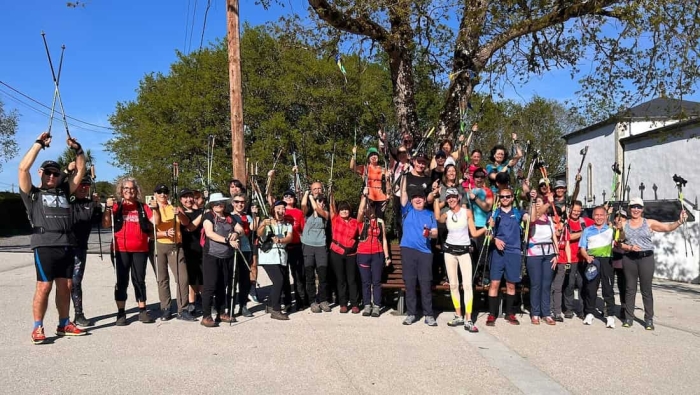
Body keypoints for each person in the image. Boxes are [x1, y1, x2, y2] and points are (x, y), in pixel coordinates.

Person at [19, 132, 88, 343]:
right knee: (44, 286)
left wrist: (77, 148)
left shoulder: (65, 191)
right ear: (42, 173)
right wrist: (39, 143)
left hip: (67, 243)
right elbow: (23, 168)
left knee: (65, 286)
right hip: (44, 244)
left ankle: (64, 323)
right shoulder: (33, 193)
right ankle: (38, 327)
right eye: (48, 173)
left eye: (55, 173)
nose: (51, 176)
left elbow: (81, 168)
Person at [619, 197, 688, 330]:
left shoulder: (648, 223)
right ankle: (628, 318)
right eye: (633, 207)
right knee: (630, 289)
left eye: (639, 207)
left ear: (642, 209)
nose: (636, 209)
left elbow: (667, 227)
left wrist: (679, 221)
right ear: (629, 209)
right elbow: (618, 243)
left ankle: (649, 319)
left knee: (646, 289)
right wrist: (629, 247)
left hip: (646, 258)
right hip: (629, 258)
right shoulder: (623, 224)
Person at [103, 177, 156, 326]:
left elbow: (155, 222)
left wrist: (155, 208)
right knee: (121, 281)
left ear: (136, 190)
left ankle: (142, 310)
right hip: (120, 249)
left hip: (140, 249)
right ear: (121, 191)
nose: (129, 191)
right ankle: (121, 312)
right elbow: (106, 224)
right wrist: (107, 208)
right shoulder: (117, 206)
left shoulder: (142, 207)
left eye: (132, 189)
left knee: (139, 280)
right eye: (126, 189)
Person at [433, 187, 485, 332]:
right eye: (448, 197)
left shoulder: (466, 212)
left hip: (464, 252)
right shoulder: (447, 214)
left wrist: (487, 227)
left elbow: (474, 233)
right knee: (453, 285)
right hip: (449, 252)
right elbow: (438, 217)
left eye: (453, 197)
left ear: (458, 197)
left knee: (467, 285)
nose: (451, 199)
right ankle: (458, 315)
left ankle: (468, 319)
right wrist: (437, 197)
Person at [151, 183, 196, 322]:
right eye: (159, 192)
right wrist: (164, 233)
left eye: (165, 192)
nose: (163, 195)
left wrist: (180, 214)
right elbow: (150, 231)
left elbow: (186, 222)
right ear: (155, 194)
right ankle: (166, 308)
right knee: (162, 279)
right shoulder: (151, 208)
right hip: (159, 245)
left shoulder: (174, 208)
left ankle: (183, 309)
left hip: (175, 246)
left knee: (182, 278)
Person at [200, 193, 244, 327]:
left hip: (227, 256)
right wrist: (227, 240)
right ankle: (206, 315)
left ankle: (221, 312)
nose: (219, 205)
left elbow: (241, 230)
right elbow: (209, 233)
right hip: (211, 255)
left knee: (222, 285)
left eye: (222, 202)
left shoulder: (230, 217)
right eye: (217, 203)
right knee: (210, 286)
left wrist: (236, 233)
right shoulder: (208, 216)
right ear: (212, 205)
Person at [399, 172, 438, 326]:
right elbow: (403, 193)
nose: (417, 199)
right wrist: (403, 176)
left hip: (425, 253)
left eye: (420, 197)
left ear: (424, 200)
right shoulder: (407, 210)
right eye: (414, 197)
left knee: (425, 283)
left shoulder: (430, 214)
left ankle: (429, 314)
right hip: (408, 250)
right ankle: (411, 314)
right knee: (409, 283)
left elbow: (435, 233)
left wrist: (430, 233)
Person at [485, 187, 523, 327]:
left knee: (511, 284)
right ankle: (492, 314)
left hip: (513, 252)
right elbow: (487, 234)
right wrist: (494, 239)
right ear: (498, 198)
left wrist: (531, 197)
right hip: (497, 253)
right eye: (502, 196)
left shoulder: (518, 213)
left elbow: (532, 217)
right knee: (494, 283)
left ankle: (509, 313)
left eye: (508, 196)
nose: (505, 199)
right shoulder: (494, 214)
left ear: (513, 197)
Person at [70, 175, 103, 327]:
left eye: (86, 186)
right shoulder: (67, 200)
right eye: (80, 185)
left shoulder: (91, 204)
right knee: (63, 283)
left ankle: (78, 314)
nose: (83, 188)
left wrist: (97, 204)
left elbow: (99, 222)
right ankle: (63, 317)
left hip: (80, 248)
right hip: (63, 247)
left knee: (76, 282)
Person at [551, 200, 593, 320]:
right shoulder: (564, 222)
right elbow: (568, 236)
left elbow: (598, 224)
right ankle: (568, 308)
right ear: (570, 210)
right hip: (570, 258)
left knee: (581, 283)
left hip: (582, 257)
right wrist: (583, 233)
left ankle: (581, 309)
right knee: (569, 284)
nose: (576, 213)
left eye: (578, 211)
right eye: (574, 210)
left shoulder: (584, 222)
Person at [579, 206, 616, 328]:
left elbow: (620, 240)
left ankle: (610, 315)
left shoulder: (611, 230)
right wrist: (587, 257)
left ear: (606, 216)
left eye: (602, 215)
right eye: (597, 215)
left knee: (608, 288)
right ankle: (589, 313)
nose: (599, 217)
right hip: (593, 261)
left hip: (607, 261)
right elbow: (582, 248)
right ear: (593, 216)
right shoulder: (587, 230)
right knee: (590, 288)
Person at [525, 193, 559, 325]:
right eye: (536, 202)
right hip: (534, 254)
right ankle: (535, 313)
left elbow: (553, 237)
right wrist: (546, 203)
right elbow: (534, 218)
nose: (539, 204)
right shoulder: (528, 216)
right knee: (536, 284)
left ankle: (546, 312)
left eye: (540, 201)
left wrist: (557, 254)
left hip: (549, 253)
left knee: (546, 284)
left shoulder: (549, 219)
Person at [257, 200, 293, 320]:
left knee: (279, 282)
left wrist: (280, 240)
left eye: (283, 208)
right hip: (268, 256)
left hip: (281, 257)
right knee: (279, 280)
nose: (281, 211)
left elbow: (289, 237)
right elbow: (259, 233)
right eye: (278, 208)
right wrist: (262, 224)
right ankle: (276, 310)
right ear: (274, 210)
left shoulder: (287, 225)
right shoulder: (267, 223)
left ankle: (270, 304)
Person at [356, 194, 391, 317]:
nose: (370, 209)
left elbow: (384, 240)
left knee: (376, 281)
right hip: (363, 253)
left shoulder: (380, 221)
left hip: (377, 253)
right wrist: (364, 196)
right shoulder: (360, 221)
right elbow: (360, 210)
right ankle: (367, 305)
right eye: (368, 206)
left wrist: (387, 256)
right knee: (366, 281)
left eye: (372, 206)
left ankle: (376, 305)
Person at [329, 190, 360, 313]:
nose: (344, 211)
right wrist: (331, 194)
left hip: (351, 253)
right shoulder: (335, 219)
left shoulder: (355, 222)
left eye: (346, 209)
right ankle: (343, 303)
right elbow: (331, 207)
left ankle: (354, 304)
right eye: (342, 209)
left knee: (352, 279)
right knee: (340, 279)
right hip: (337, 252)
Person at [301, 182, 331, 313]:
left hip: (321, 246)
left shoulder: (325, 213)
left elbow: (318, 210)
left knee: (323, 275)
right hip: (308, 246)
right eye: (315, 189)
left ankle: (323, 299)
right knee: (310, 275)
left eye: (322, 201)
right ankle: (312, 301)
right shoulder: (307, 212)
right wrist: (306, 194)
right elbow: (303, 206)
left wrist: (313, 199)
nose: (321, 203)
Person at [230, 192, 257, 317]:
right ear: (232, 203)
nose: (239, 204)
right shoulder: (229, 216)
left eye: (242, 202)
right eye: (237, 202)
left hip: (246, 250)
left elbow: (253, 228)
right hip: (232, 250)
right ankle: (229, 306)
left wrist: (255, 214)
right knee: (232, 279)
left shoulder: (248, 217)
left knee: (244, 280)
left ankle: (243, 305)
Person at [179, 188, 204, 316]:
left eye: (190, 197)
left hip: (203, 249)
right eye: (185, 197)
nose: (188, 199)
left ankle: (205, 302)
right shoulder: (180, 213)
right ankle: (192, 303)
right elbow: (189, 228)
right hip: (188, 249)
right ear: (180, 200)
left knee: (203, 277)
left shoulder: (200, 211)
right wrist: (202, 215)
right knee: (192, 278)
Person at [350, 146, 390, 219]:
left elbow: (388, 184)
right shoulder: (365, 168)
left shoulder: (383, 169)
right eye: (371, 155)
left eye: (375, 154)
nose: (373, 156)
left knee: (380, 219)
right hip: (369, 195)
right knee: (369, 218)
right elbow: (352, 167)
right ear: (368, 158)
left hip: (381, 197)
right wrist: (354, 154)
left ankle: (380, 230)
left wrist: (388, 194)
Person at [467, 168, 494, 273]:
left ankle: (484, 276)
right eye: (477, 176)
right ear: (473, 178)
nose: (479, 178)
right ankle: (474, 276)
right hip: (471, 226)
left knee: (483, 254)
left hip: (483, 226)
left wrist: (475, 199)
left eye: (482, 176)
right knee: (472, 252)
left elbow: (487, 207)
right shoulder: (469, 191)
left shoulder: (488, 191)